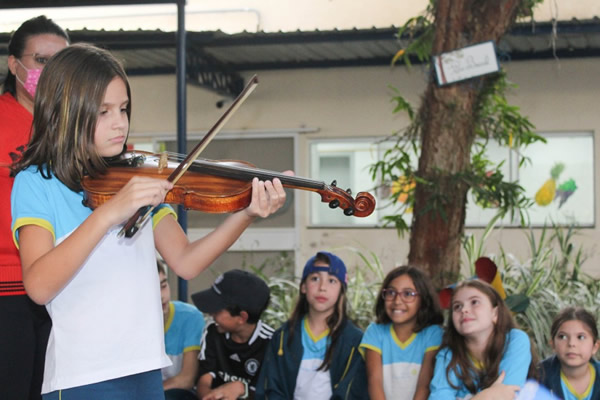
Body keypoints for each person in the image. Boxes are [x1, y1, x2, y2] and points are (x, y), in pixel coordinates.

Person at [10, 43, 288, 399]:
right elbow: (39, 285)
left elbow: (186, 261)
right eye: (103, 111)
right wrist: (109, 212)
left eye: (124, 109)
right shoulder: (37, 182)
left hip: (144, 369)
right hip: (81, 376)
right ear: (67, 112)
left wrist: (245, 214)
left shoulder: (134, 175)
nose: (120, 123)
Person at [0, 15, 69, 400]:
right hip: (6, 285)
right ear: (15, 65)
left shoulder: (74, 127)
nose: (50, 72)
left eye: (60, 63)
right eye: (41, 61)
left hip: (65, 284)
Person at [255, 251, 368, 399]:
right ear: (303, 287)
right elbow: (271, 388)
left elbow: (353, 393)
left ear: (342, 290)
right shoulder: (282, 337)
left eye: (332, 281)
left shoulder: (354, 341)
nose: (322, 287)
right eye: (315, 279)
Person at [429, 279, 537, 400]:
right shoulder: (447, 355)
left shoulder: (515, 340)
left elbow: (507, 395)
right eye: (457, 306)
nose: (464, 310)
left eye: (474, 302)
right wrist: (486, 396)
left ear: (495, 313)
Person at [359, 265, 444, 400]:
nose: (397, 301)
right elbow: (374, 382)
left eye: (408, 294)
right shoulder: (375, 332)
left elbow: (425, 384)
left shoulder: (433, 334)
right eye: (391, 293)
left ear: (423, 300)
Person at [191, 269, 274, 400]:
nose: (211, 314)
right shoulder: (213, 331)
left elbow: (268, 392)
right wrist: (210, 396)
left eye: (216, 310)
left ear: (242, 317)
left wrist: (241, 389)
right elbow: (204, 380)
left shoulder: (271, 343)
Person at [158, 259, 206, 400]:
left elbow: (186, 379)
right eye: (152, 289)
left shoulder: (190, 317)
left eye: (163, 285)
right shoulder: (130, 323)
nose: (161, 295)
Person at [539, 307, 600, 400]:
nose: (571, 343)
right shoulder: (538, 376)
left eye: (581, 337)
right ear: (553, 344)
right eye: (562, 336)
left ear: (595, 347)